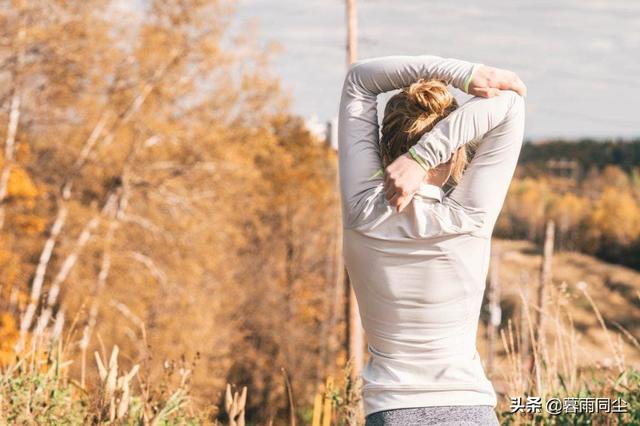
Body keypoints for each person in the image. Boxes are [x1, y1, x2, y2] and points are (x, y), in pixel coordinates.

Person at [337, 54, 526, 425]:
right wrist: (424, 158)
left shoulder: (362, 212)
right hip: (470, 411)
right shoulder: (467, 220)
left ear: (383, 144)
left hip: (391, 412)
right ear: (455, 153)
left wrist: (463, 75)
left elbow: (360, 80)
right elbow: (511, 104)